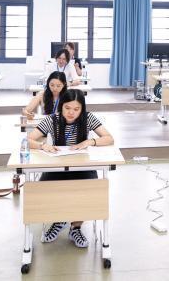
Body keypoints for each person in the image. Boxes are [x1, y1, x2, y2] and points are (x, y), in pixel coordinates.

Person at [27, 89, 114, 247]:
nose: (71, 113)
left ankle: (75, 227)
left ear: (82, 109)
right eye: (67, 108)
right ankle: (59, 219)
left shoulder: (88, 118)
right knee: (43, 191)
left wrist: (89, 142)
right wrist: (42, 145)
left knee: (90, 190)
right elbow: (28, 140)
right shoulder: (52, 119)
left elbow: (109, 138)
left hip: (83, 167)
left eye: (76, 109)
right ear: (61, 106)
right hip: (57, 166)